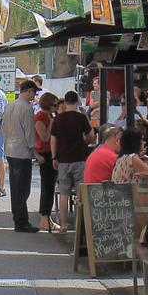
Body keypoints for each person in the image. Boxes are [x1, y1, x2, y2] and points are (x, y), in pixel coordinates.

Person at [51, 90, 96, 231]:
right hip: (80, 159)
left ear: (65, 102)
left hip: (63, 159)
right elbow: (92, 137)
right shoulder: (81, 117)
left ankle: (63, 224)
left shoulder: (58, 119)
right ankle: (80, 226)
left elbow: (53, 139)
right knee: (80, 194)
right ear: (77, 102)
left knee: (63, 194)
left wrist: (54, 156)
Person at [4, 80, 40, 232]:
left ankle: (18, 218)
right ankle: (21, 221)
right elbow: (29, 132)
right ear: (29, 91)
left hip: (10, 149)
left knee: (15, 187)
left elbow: (4, 127)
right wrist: (34, 151)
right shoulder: (26, 108)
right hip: (22, 152)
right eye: (34, 92)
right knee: (23, 188)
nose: (34, 96)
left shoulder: (10, 105)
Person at [33, 92, 60, 231]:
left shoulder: (49, 116)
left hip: (50, 152)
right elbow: (43, 137)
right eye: (54, 105)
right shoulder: (40, 116)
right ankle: (45, 218)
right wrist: (52, 124)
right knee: (47, 187)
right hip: (45, 153)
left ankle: (47, 217)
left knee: (49, 186)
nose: (56, 108)